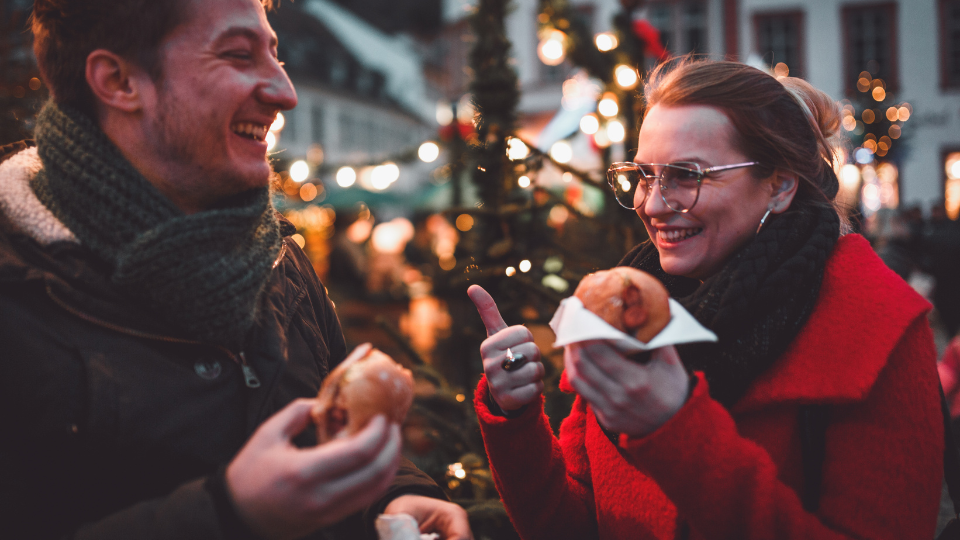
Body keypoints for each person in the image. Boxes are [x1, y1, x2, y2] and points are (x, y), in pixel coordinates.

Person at [0, 0, 471, 538]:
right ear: (119, 81)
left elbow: (334, 435)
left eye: (277, 56)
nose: (285, 93)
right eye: (238, 55)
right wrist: (228, 514)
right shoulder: (18, 290)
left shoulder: (280, 260)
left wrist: (395, 495)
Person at [468, 58, 943, 539]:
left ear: (779, 185)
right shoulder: (623, 311)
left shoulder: (876, 327)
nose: (652, 204)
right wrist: (516, 418)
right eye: (644, 175)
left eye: (687, 176)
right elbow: (570, 528)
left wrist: (675, 427)